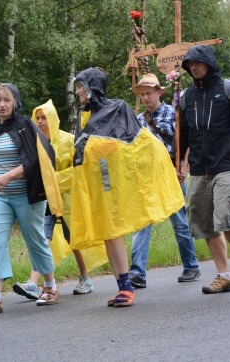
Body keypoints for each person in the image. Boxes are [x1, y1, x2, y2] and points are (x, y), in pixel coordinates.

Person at [69, 68, 183, 307]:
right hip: (94, 185)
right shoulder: (83, 116)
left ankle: (126, 287)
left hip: (115, 184)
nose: (78, 91)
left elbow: (140, 143)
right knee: (108, 235)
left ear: (92, 87)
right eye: (77, 86)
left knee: (112, 233)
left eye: (81, 86)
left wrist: (163, 162)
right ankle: (123, 287)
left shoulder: (117, 108)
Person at [0, 84, 63, 314]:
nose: (2, 105)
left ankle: (50, 287)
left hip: (27, 195)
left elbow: (36, 161)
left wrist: (9, 176)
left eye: (6, 101)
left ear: (15, 103)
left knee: (35, 240)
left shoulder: (25, 127)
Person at [177, 45, 230, 294]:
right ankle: (224, 275)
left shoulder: (228, 90)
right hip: (200, 169)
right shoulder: (186, 97)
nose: (194, 67)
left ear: (209, 63)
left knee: (227, 213)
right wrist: (178, 164)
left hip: (226, 165)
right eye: (190, 65)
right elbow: (183, 135)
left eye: (198, 63)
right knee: (203, 222)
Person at [13, 100, 108, 299]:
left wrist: (53, 182)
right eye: (37, 118)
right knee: (43, 238)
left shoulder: (68, 141)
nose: (39, 121)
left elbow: (77, 172)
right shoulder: (34, 143)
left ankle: (85, 278)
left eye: (44, 117)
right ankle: (34, 282)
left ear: (53, 119)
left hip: (67, 200)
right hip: (43, 201)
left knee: (74, 241)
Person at [128, 73, 200, 287]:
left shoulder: (174, 113)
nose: (146, 97)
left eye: (149, 93)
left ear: (159, 92)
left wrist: (184, 170)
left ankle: (191, 266)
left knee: (179, 222)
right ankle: (138, 272)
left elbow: (187, 143)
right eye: (142, 94)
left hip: (171, 172)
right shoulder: (139, 120)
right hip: (148, 176)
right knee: (143, 222)